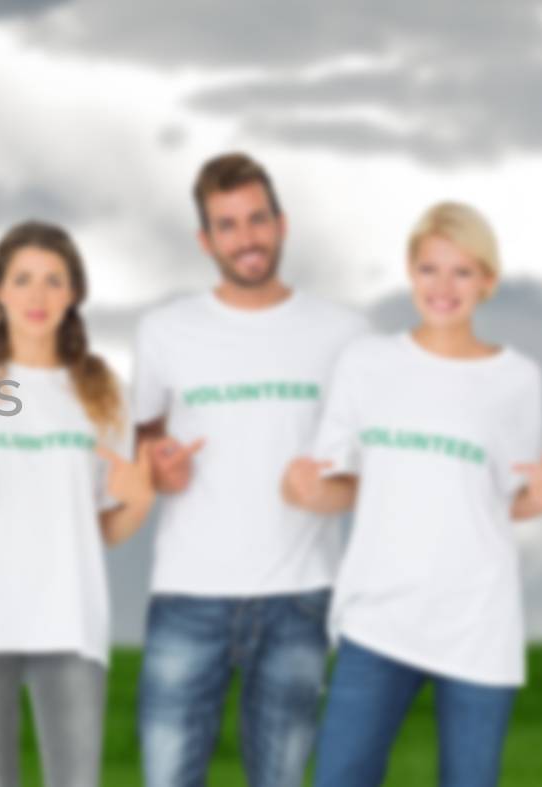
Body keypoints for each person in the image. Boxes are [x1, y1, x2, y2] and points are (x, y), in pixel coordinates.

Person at [289, 202, 542, 787]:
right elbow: (338, 488)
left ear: (487, 281)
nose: (443, 287)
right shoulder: (366, 363)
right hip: (378, 617)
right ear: (410, 272)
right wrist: (305, 489)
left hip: (476, 624)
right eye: (429, 269)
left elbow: (501, 498)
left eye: (462, 271)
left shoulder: (517, 380)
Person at [131, 153, 367, 787]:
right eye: (228, 226)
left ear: (282, 224)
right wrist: (156, 466)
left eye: (257, 220)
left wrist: (328, 493)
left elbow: (376, 469)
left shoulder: (345, 333)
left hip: (300, 600)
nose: (247, 238)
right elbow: (144, 435)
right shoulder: (164, 331)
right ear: (206, 241)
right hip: (188, 597)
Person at [0, 221, 155, 787]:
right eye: (22, 280)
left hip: (70, 620)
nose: (37, 296)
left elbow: (101, 530)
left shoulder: (103, 390)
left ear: (74, 293)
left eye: (53, 281)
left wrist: (138, 506)